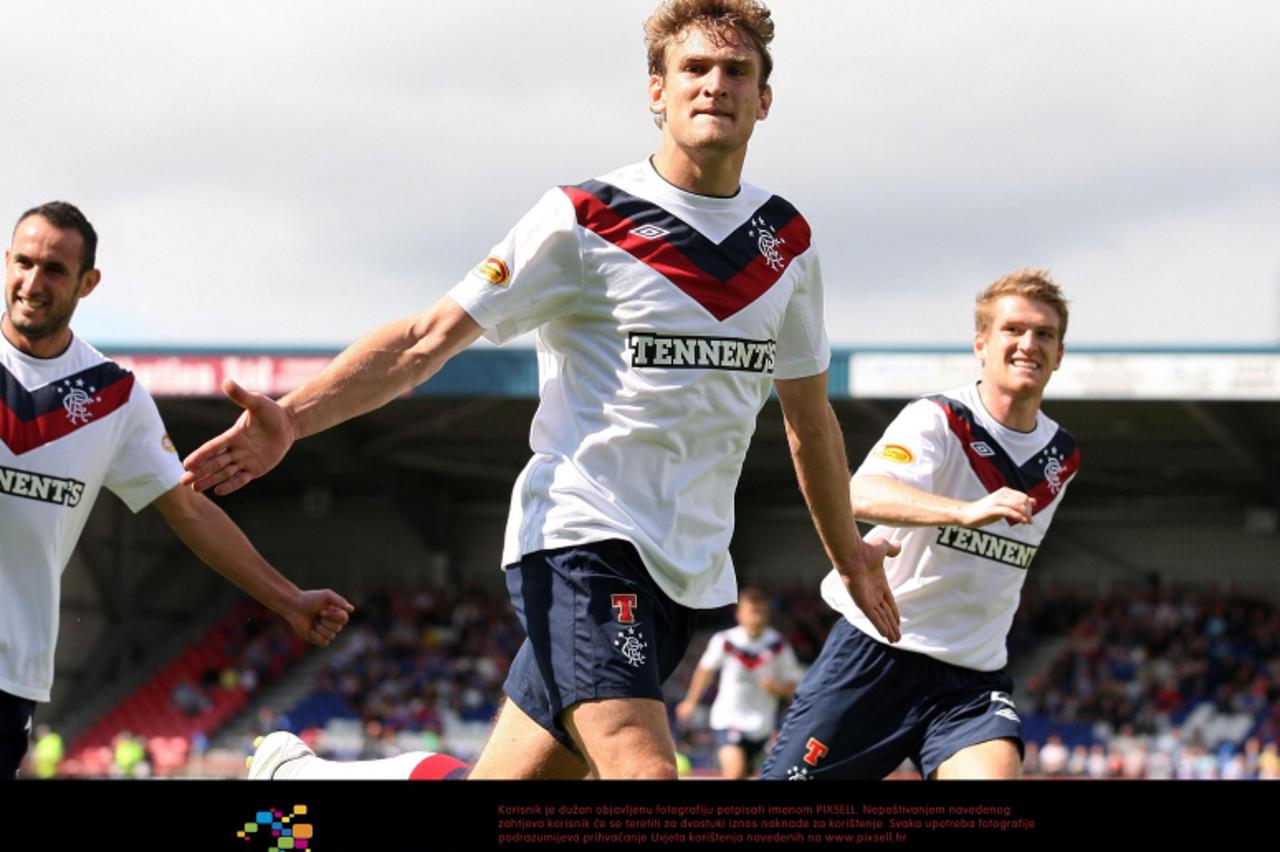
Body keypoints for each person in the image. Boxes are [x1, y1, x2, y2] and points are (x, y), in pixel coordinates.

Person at [183, 0, 900, 781]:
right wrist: (292, 416)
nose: (714, 85)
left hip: (687, 568)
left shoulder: (785, 242)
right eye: (693, 69)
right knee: (646, 777)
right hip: (583, 539)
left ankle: (297, 792)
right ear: (656, 91)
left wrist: (850, 558)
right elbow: (427, 340)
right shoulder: (584, 218)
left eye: (737, 71)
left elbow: (809, 422)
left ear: (764, 98)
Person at [0, 201, 354, 780]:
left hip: (11, 674)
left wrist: (288, 600)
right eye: (22, 262)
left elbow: (188, 508)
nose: (32, 283)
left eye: (54, 270)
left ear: (88, 283)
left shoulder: (111, 397)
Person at [761, 270, 1079, 781]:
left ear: (1059, 354)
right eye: (1013, 330)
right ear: (981, 343)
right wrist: (961, 510)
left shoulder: (1063, 454)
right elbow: (859, 493)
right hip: (876, 657)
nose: (1028, 344)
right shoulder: (938, 419)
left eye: (1044, 334)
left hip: (971, 682)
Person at [676, 587, 801, 778]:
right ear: (739, 614)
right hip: (728, 720)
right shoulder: (725, 641)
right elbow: (705, 671)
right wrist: (691, 701)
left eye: (761, 612)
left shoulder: (778, 645)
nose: (757, 618)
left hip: (762, 727)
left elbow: (794, 686)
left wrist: (777, 688)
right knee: (734, 773)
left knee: (745, 775)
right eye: (752, 612)